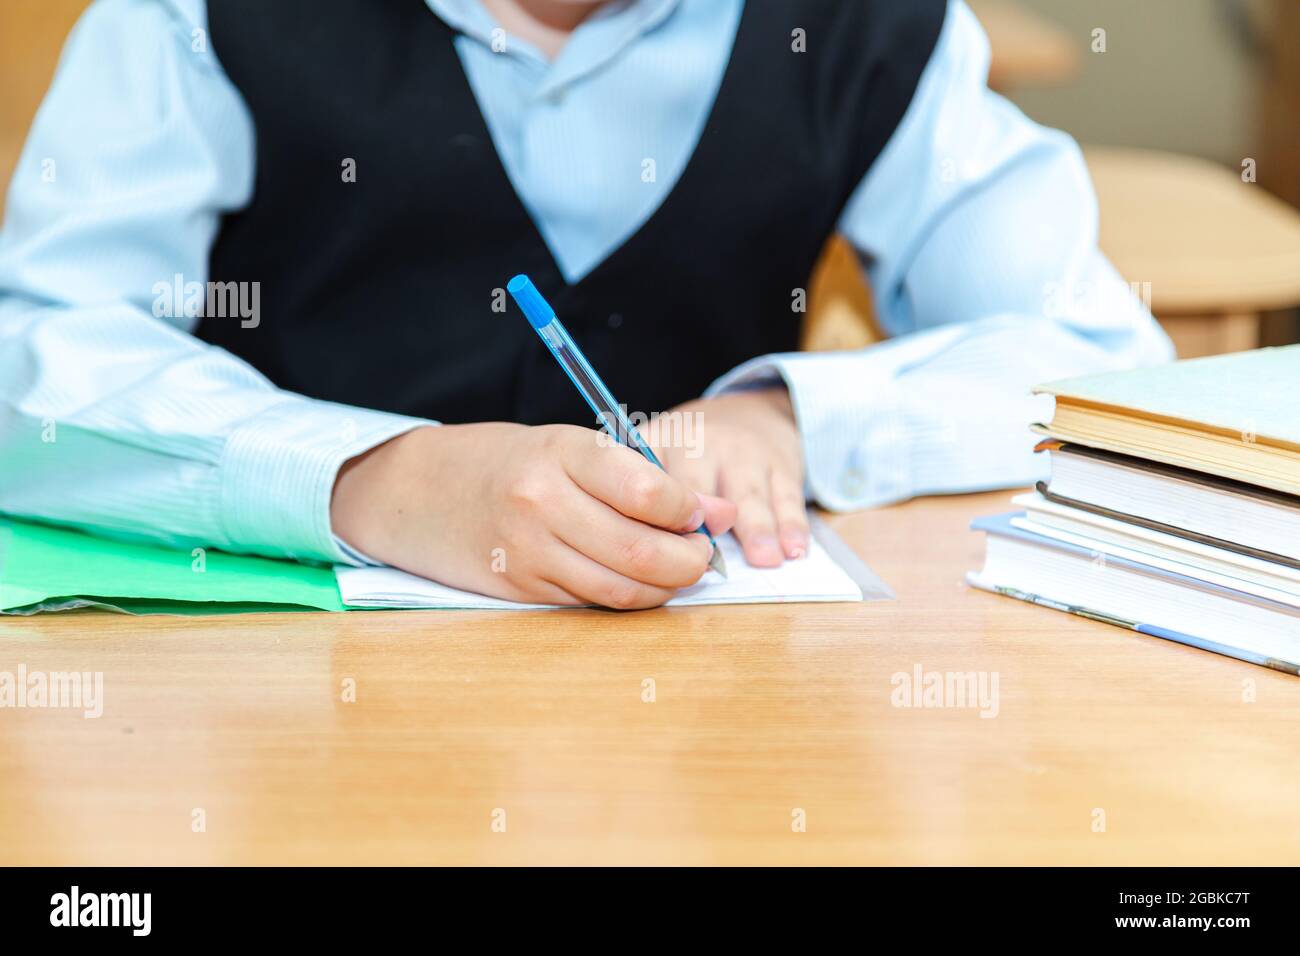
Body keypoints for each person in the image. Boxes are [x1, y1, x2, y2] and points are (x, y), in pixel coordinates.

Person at [0, 0, 1172, 608]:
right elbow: (33, 364)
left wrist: (792, 416)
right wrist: (369, 475)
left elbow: (1112, 359)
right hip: (283, 725)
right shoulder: (195, 19)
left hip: (710, 737)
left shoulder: (866, 29)